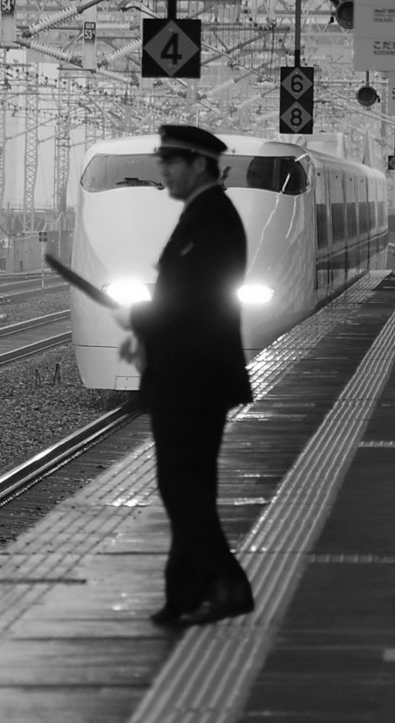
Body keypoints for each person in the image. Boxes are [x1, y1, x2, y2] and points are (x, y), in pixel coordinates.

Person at [112, 124, 255, 627]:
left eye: (170, 162)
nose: (163, 171)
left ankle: (227, 582)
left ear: (197, 164)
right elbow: (187, 300)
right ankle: (185, 595)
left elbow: (194, 301)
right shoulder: (203, 215)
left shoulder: (212, 219)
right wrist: (147, 330)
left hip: (195, 380)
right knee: (186, 487)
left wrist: (143, 317)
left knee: (182, 488)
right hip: (191, 375)